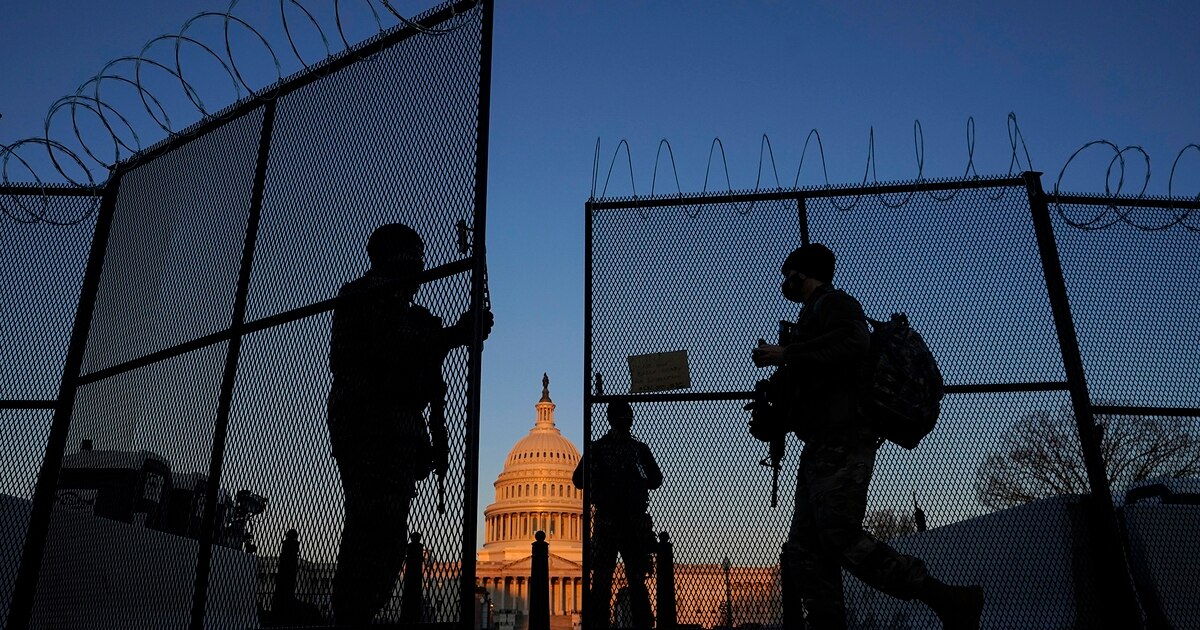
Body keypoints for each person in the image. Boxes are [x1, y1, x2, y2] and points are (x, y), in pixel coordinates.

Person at [750, 243, 983, 630]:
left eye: (787, 274)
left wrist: (785, 353)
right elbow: (813, 387)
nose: (784, 282)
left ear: (802, 274)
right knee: (806, 547)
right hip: (821, 443)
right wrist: (774, 412)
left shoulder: (835, 302)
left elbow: (854, 342)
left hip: (844, 437)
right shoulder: (809, 320)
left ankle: (946, 598)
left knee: (838, 534)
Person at [326, 222, 492, 625]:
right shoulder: (368, 297)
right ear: (397, 258)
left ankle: (358, 609)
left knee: (383, 533)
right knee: (375, 530)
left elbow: (417, 361)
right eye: (416, 256)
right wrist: (453, 335)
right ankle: (354, 612)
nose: (422, 266)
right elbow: (395, 350)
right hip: (372, 427)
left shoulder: (398, 308)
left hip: (388, 429)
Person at [572, 401, 663, 629]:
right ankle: (640, 624)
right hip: (628, 522)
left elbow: (577, 479)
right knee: (633, 581)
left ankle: (599, 624)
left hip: (609, 521)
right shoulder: (638, 449)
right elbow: (656, 480)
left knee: (605, 581)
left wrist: (599, 481)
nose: (627, 421)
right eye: (626, 417)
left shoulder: (598, 448)